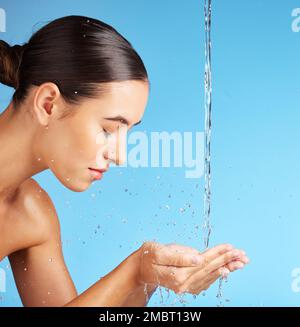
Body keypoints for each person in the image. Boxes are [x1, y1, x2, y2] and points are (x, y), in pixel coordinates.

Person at [0, 15, 249, 307]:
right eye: (107, 129)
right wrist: (132, 273)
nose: (120, 155)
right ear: (48, 104)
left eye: (127, 132)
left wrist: (146, 275)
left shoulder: (31, 215)